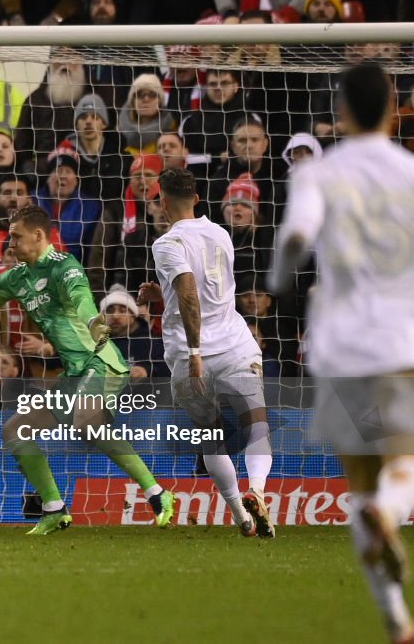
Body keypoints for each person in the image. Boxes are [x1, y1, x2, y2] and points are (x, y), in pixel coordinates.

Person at [0, 204, 175, 534]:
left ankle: (157, 495)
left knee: (85, 420)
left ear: (38, 235)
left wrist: (93, 320)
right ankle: (54, 508)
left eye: (15, 237)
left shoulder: (64, 266)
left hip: (101, 361)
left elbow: (81, 297)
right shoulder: (16, 278)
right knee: (15, 430)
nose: (9, 244)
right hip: (74, 372)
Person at [268, 62, 414, 644]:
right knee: (402, 464)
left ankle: (396, 618)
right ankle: (392, 507)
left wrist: (280, 279)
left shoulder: (318, 175)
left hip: (339, 349)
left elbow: (298, 236)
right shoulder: (410, 173)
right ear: (395, 103)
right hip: (400, 344)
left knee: (357, 480)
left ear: (342, 112)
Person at [138, 166, 274, 538]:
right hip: (235, 345)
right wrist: (161, 293)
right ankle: (258, 492)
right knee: (256, 425)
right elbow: (205, 288)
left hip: (190, 355)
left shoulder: (166, 244)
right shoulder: (222, 234)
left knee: (209, 435)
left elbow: (189, 291)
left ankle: (240, 517)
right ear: (196, 199)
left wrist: (196, 350)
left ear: (162, 202)